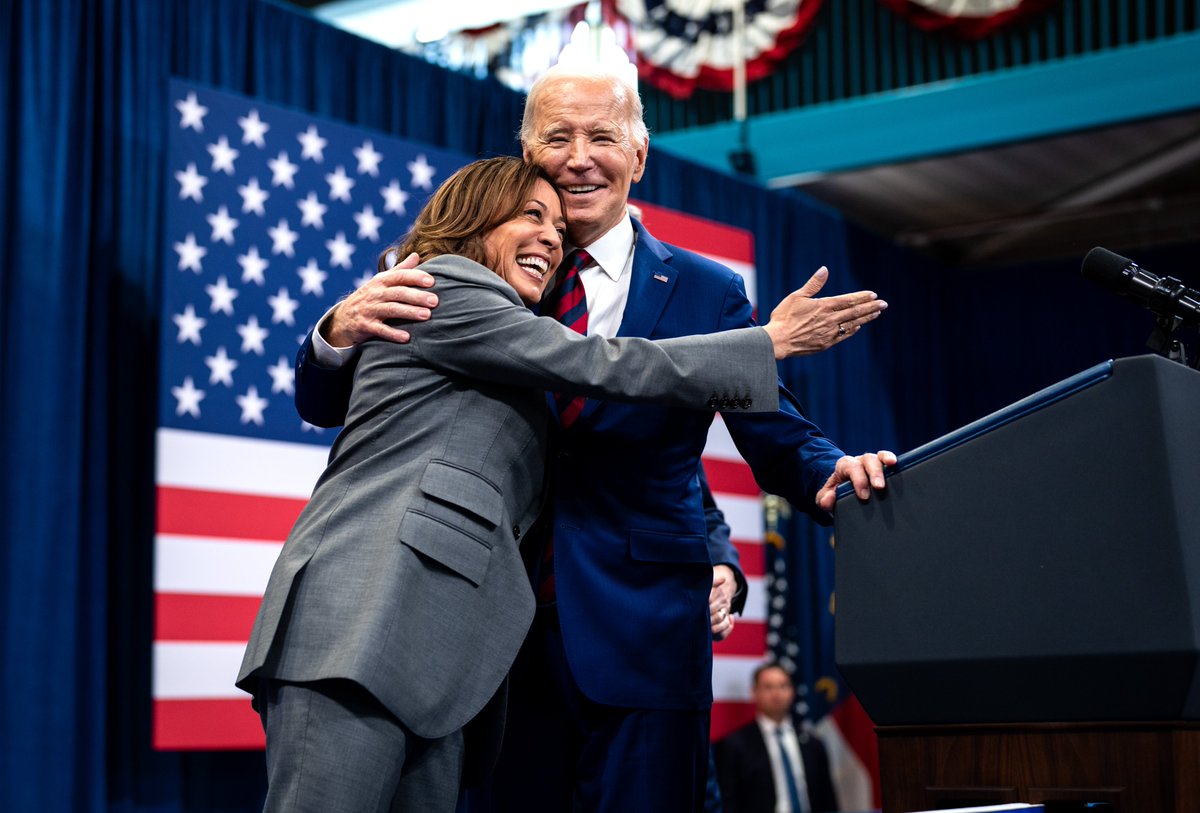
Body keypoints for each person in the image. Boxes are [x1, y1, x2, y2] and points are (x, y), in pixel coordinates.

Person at [293, 64, 895, 812]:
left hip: (645, 633)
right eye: (557, 137)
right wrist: (333, 331)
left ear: (638, 157)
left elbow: (773, 433)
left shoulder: (707, 292)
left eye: (602, 136)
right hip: (490, 632)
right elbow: (333, 399)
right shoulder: (480, 274)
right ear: (526, 152)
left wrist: (830, 470)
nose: (579, 156)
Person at [713, 664, 839, 813]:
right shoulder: (733, 745)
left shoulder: (813, 744)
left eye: (783, 686)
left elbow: (827, 801)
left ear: (792, 692)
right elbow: (727, 802)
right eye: (768, 687)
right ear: (754, 692)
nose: (777, 694)